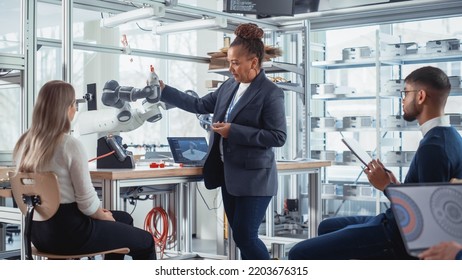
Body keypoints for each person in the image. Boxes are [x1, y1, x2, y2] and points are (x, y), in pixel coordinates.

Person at [288, 66, 462, 260]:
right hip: (394, 219)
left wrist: (386, 187)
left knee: (298, 253)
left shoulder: (433, 147)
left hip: (395, 236)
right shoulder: (450, 136)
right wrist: (396, 186)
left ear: (420, 96)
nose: (402, 100)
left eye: (405, 93)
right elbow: (428, 195)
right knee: (326, 226)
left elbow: (428, 221)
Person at [160, 23, 287, 259]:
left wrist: (234, 131)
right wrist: (163, 90)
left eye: (235, 63)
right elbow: (198, 105)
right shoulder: (229, 86)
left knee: (246, 236)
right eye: (229, 62)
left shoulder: (271, 92)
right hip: (230, 176)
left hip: (255, 179)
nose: (230, 68)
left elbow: (278, 137)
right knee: (239, 236)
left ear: (254, 62)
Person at [13, 80, 156, 260]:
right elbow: (86, 201)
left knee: (124, 218)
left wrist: (101, 214)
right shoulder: (69, 144)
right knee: (146, 241)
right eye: (74, 104)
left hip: (37, 232)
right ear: (65, 108)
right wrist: (101, 214)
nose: (75, 109)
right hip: (71, 234)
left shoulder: (23, 143)